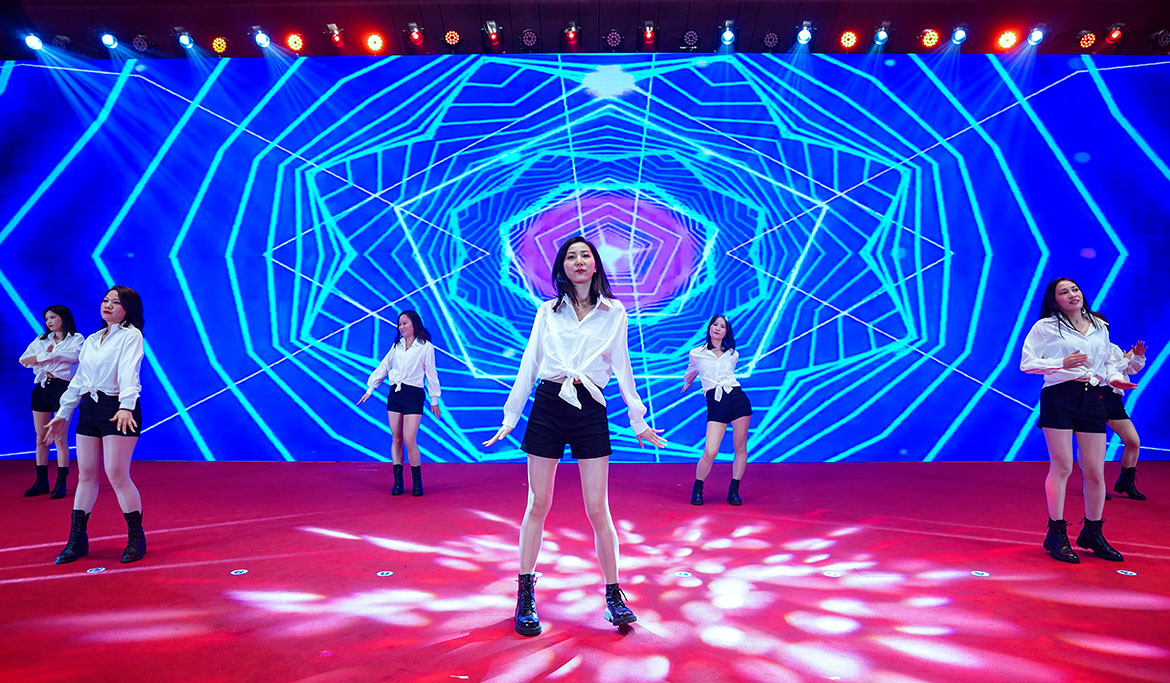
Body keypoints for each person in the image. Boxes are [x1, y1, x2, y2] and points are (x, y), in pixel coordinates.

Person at [483, 236, 667, 636]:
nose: (579, 260)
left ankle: (614, 596)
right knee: (538, 502)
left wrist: (637, 418)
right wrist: (511, 416)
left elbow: (623, 365)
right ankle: (525, 594)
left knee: (598, 507)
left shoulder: (615, 312)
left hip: (590, 405)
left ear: (596, 264)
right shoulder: (547, 311)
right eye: (571, 256)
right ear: (562, 267)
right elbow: (530, 363)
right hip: (549, 403)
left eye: (585, 255)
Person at [1021, 277, 1134, 564]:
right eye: (1064, 292)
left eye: (1075, 289)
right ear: (1054, 299)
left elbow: (1107, 362)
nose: (1072, 295)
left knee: (1095, 471)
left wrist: (1116, 378)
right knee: (1062, 466)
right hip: (1059, 396)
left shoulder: (1098, 325)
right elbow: (1027, 363)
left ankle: (1092, 532)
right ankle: (1056, 532)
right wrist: (1061, 363)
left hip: (1094, 397)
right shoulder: (1045, 326)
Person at [43, 286, 147, 564]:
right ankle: (77, 539)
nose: (108, 305)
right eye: (105, 300)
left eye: (116, 302)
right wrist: (62, 413)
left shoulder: (131, 335)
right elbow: (79, 380)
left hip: (118, 407)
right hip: (89, 407)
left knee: (116, 474)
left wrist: (126, 406)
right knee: (86, 474)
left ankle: (136, 537)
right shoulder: (91, 339)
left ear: (128, 309)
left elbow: (129, 371)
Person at [357, 310, 441, 496]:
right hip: (395, 394)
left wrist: (434, 399)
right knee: (396, 438)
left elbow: (431, 373)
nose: (401, 327)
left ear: (414, 324)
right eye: (400, 324)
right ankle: (398, 481)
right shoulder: (396, 346)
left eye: (405, 323)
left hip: (414, 394)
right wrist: (371, 388)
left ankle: (417, 481)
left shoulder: (426, 347)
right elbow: (384, 367)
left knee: (410, 439)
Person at [681, 315, 753, 506]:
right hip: (716, 401)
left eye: (722, 326)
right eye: (715, 324)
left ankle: (734, 490)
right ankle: (698, 488)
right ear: (710, 327)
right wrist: (687, 383)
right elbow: (691, 371)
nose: (718, 328)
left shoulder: (733, 354)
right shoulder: (696, 353)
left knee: (740, 447)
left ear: (726, 332)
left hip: (737, 399)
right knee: (710, 451)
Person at [18, 305, 82, 499]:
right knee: (41, 438)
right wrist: (45, 357)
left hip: (63, 388)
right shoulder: (42, 339)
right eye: (47, 319)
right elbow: (24, 360)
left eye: (53, 317)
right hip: (42, 387)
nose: (49, 322)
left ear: (63, 317)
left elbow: (75, 357)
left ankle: (61, 482)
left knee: (60, 438)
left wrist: (45, 357)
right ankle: (41, 481)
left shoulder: (76, 338)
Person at [1104, 339, 1147, 500]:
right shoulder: (1088, 346)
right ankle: (1092, 483)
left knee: (1133, 441)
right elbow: (1106, 370)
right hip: (1094, 396)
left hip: (1114, 399)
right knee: (1093, 445)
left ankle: (1126, 481)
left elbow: (1130, 369)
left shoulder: (1113, 347)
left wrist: (1137, 356)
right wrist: (1124, 360)